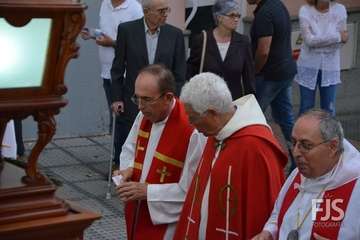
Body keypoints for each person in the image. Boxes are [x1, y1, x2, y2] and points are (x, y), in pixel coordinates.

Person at [173, 72, 288, 239]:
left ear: (212, 113)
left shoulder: (256, 147)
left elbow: (261, 213)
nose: (194, 127)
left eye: (193, 119)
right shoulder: (216, 134)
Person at [114, 65, 205, 240]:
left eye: (147, 99)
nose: (140, 106)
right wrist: (128, 170)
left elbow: (193, 190)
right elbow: (130, 148)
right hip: (138, 213)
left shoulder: (192, 131)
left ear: (168, 97)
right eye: (137, 98)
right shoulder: (145, 115)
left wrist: (148, 192)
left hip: (168, 225)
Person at [252, 109, 360, 240]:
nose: (296, 152)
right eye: (294, 143)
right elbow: (278, 214)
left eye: (306, 145)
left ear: (332, 146)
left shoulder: (355, 185)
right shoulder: (298, 174)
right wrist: (268, 232)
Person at [111, 0, 186, 169]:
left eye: (166, 10)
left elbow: (180, 73)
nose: (165, 14)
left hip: (162, 100)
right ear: (146, 12)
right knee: (132, 137)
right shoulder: (127, 30)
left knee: (160, 137)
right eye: (161, 11)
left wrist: (174, 99)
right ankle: (125, 169)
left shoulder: (175, 35)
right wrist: (116, 98)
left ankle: (152, 170)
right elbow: (117, 68)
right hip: (134, 98)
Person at [80, 0, 143, 167]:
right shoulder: (105, 4)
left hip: (126, 74)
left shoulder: (135, 9)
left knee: (125, 119)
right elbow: (109, 32)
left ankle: (123, 163)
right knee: (116, 118)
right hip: (108, 73)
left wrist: (112, 43)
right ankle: (119, 160)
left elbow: (137, 44)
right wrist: (94, 34)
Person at [247, 0, 296, 155]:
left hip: (269, 75)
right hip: (284, 73)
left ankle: (259, 155)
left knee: (253, 119)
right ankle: (297, 153)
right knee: (285, 118)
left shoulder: (265, 13)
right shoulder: (278, 5)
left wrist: (253, 72)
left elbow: (263, 51)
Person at [187, 0, 255, 100]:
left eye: (238, 16)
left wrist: (249, 101)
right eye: (232, 15)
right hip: (206, 102)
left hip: (234, 102)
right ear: (219, 17)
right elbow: (192, 73)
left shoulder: (243, 42)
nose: (236, 19)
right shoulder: (202, 39)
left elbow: (248, 77)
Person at [295, 0, 348, 116]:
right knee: (306, 107)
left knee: (329, 109)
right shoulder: (305, 10)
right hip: (308, 66)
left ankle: (329, 134)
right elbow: (309, 41)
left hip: (330, 67)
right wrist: (338, 36)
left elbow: (341, 43)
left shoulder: (340, 10)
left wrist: (319, 42)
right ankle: (304, 134)